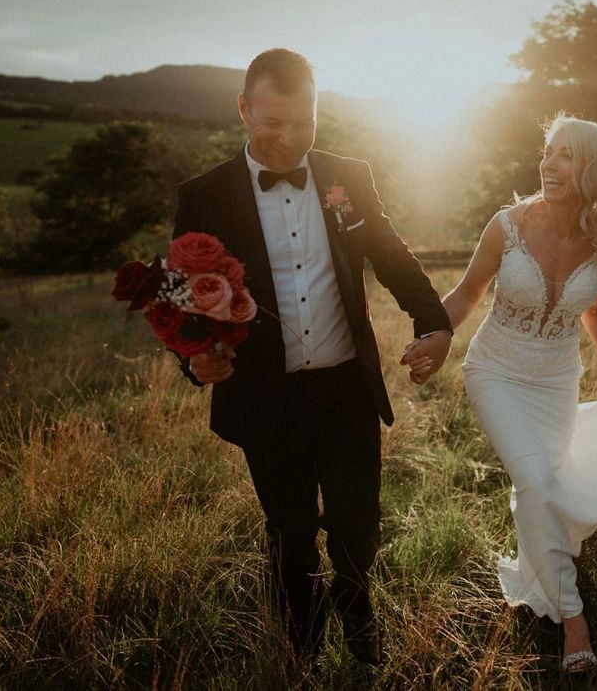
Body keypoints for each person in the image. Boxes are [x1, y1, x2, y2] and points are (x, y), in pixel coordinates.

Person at [403, 114, 597, 672]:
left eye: (565, 155)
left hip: (555, 383)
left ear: (593, 169)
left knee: (541, 491)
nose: (549, 164)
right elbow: (467, 292)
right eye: (548, 152)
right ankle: (575, 620)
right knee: (538, 481)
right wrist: (438, 338)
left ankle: (538, 570)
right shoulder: (507, 224)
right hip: (495, 371)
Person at [173, 48, 453, 666]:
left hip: (344, 387)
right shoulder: (204, 196)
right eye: (272, 123)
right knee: (291, 533)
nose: (288, 139)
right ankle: (298, 644)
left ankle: (358, 617)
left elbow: (390, 252)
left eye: (303, 123)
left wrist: (434, 321)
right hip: (265, 396)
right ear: (244, 110)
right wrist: (197, 357)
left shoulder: (346, 176)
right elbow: (187, 297)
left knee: (357, 523)